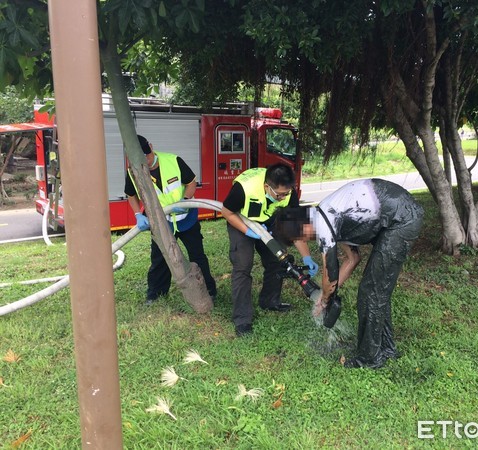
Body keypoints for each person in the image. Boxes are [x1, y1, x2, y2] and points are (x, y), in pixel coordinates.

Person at [272, 178, 424, 369]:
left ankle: (369, 359)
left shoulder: (324, 221)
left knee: (371, 292)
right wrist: (327, 295)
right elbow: (352, 259)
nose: (307, 241)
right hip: (398, 214)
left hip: (402, 218)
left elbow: (331, 273)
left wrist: (325, 298)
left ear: (303, 228)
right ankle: (386, 348)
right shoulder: (330, 216)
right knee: (377, 290)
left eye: (301, 238)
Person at [221, 164, 318, 337]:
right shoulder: (243, 188)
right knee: (243, 265)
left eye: (286, 194)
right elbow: (227, 212)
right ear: (267, 186)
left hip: (268, 221)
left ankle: (269, 301)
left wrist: (307, 257)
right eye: (279, 194)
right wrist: (247, 231)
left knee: (279, 259)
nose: (282, 198)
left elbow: (295, 228)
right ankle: (242, 319)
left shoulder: (289, 194)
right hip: (241, 222)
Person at [124, 135, 217, 305]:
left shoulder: (173, 161)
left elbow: (191, 182)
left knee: (197, 255)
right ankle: (156, 294)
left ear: (151, 147)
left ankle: (209, 290)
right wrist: (138, 215)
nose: (146, 161)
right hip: (161, 223)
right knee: (160, 259)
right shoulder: (133, 172)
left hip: (185, 218)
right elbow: (131, 195)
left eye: (148, 156)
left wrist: (187, 201)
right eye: (141, 159)